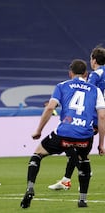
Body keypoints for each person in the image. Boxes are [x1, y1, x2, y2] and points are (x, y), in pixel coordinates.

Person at [20, 59, 105, 209]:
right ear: (86, 74)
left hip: (64, 133)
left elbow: (49, 108)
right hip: (85, 135)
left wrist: (38, 130)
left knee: (37, 154)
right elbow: (102, 117)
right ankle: (82, 200)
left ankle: (30, 188)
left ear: (70, 73)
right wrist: (101, 144)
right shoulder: (95, 90)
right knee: (84, 159)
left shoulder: (62, 86)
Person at [48, 46, 105, 190]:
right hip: (101, 113)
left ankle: (85, 170)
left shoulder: (95, 75)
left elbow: (85, 94)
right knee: (75, 147)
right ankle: (66, 179)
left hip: (90, 117)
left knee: (69, 142)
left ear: (93, 60)